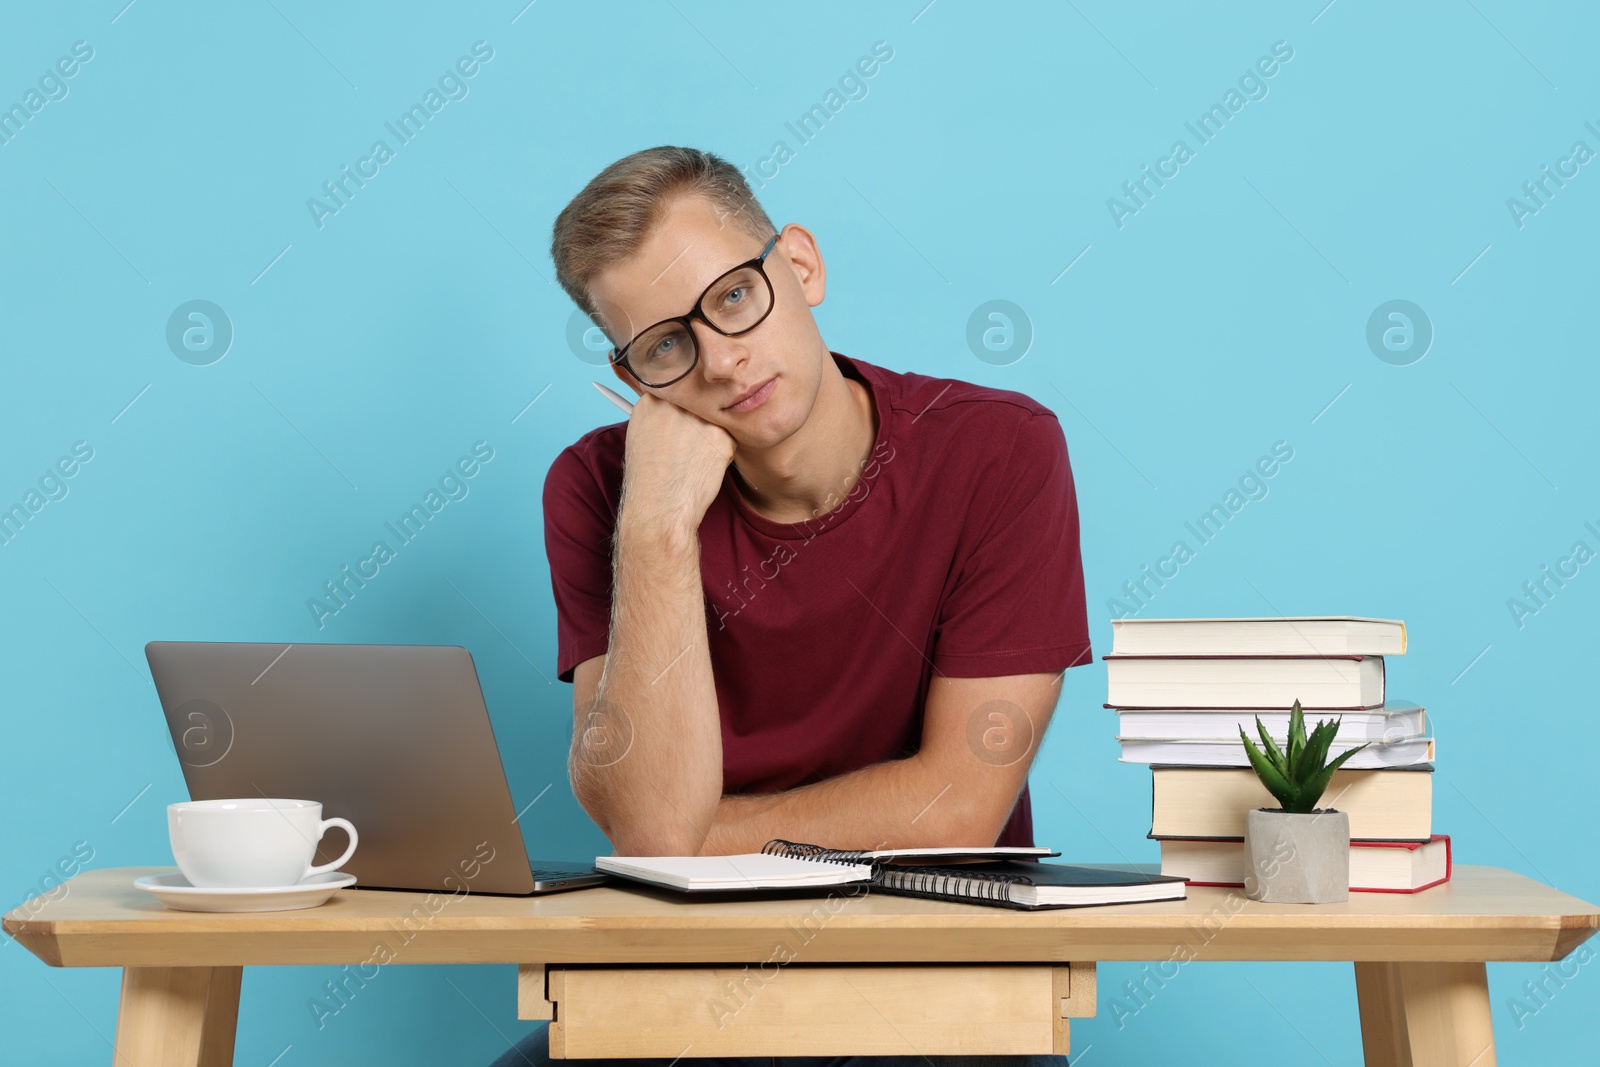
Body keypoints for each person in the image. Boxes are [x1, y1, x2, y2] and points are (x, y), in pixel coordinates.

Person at [490, 146, 1090, 1067]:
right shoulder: (598, 487)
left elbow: (958, 806)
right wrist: (655, 528)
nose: (722, 362)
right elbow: (652, 828)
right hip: (694, 981)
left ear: (800, 265)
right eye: (665, 346)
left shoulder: (1001, 452)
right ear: (634, 373)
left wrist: (702, 839)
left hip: (939, 981)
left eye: (733, 297)